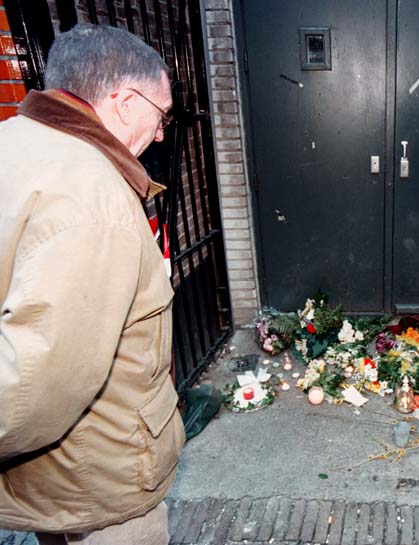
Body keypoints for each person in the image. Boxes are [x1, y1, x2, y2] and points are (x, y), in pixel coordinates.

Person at [0, 24, 184, 544]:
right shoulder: (93, 201)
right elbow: (34, 389)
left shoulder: (13, 143)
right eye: (162, 114)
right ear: (125, 102)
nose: (162, 132)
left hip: (52, 482)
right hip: (99, 483)